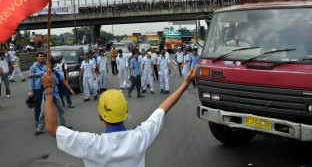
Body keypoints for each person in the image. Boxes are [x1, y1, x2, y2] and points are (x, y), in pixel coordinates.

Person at [42, 61, 197, 167]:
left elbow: (52, 128)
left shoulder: (90, 143)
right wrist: (185, 84)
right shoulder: (140, 137)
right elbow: (162, 109)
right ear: (126, 112)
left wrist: (49, 90)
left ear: (100, 116)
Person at [35, 56, 74, 135]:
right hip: (46, 95)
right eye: (47, 64)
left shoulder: (57, 72)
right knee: (42, 112)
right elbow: (35, 74)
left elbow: (64, 81)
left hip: (55, 95)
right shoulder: (44, 72)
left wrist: (70, 89)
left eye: (49, 64)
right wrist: (31, 75)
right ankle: (40, 128)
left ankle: (64, 124)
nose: (47, 65)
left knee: (61, 110)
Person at [28, 52, 47, 127]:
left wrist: (35, 74)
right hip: (37, 88)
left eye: (43, 56)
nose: (42, 57)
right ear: (37, 57)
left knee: (45, 105)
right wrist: (31, 90)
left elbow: (46, 72)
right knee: (37, 105)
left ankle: (44, 120)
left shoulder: (44, 66)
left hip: (44, 87)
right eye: (40, 56)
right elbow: (31, 80)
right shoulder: (33, 67)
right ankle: (37, 121)